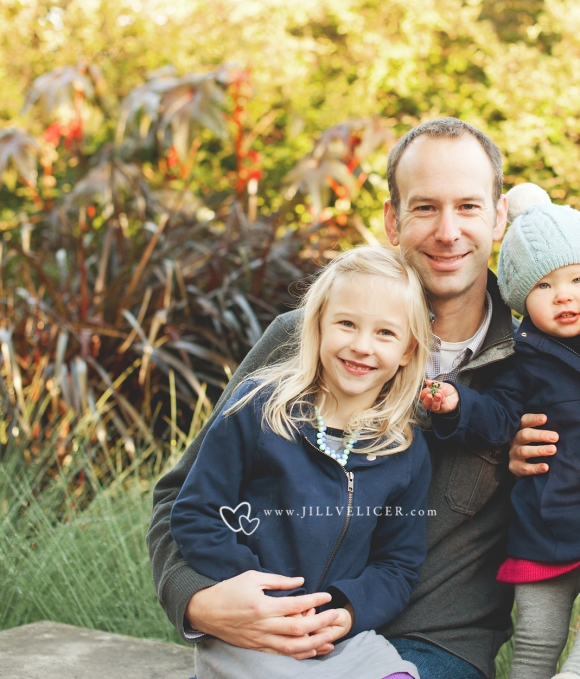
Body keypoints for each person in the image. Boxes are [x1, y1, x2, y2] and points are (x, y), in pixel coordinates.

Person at [147, 118, 518, 679]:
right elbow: (184, 495)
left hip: (434, 643)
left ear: (499, 217)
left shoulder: (532, 365)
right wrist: (198, 600)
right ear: (393, 220)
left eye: (468, 207)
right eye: (424, 208)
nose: (448, 232)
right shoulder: (306, 340)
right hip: (282, 621)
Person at [170, 247, 431, 679]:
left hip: (338, 634)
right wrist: (257, 595)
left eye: (385, 333)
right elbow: (196, 513)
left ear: (408, 350)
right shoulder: (258, 408)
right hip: (254, 628)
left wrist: (348, 611)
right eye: (347, 323)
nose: (361, 346)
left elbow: (398, 564)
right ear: (318, 325)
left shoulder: (402, 449)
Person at [420, 184, 580, 679]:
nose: (563, 295)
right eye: (543, 286)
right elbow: (498, 417)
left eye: (578, 279)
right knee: (537, 639)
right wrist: (457, 405)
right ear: (520, 301)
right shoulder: (521, 361)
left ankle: (579, 672)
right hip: (547, 520)